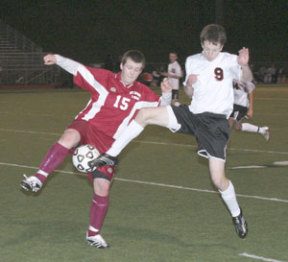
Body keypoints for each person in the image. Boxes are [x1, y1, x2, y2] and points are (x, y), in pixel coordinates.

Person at [90, 24, 253, 239]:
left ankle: (237, 214)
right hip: (192, 115)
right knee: (145, 114)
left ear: (221, 46)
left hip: (215, 123)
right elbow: (187, 90)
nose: (210, 53)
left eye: (214, 49)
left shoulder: (230, 60)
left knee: (218, 179)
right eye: (207, 48)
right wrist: (190, 86)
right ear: (201, 44)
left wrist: (245, 65)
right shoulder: (193, 60)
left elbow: (248, 82)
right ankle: (111, 155)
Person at [20, 50, 172, 248]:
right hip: (88, 125)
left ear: (141, 71)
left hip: (108, 144)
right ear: (121, 66)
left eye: (137, 70)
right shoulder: (105, 79)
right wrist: (57, 59)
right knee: (69, 137)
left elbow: (161, 111)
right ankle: (38, 178)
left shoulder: (144, 94)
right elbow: (78, 69)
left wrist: (167, 94)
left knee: (103, 187)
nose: (132, 72)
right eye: (129, 68)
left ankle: (93, 234)